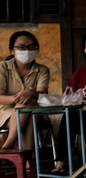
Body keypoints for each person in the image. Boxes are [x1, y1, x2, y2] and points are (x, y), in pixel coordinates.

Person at [0, 32, 52, 161]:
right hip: (4, 113)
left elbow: (42, 93)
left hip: (36, 113)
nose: (27, 51)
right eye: (21, 47)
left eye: (31, 47)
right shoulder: (3, 67)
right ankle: (28, 164)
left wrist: (30, 92)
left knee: (29, 108)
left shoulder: (42, 70)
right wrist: (19, 98)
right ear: (12, 50)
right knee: (28, 108)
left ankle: (7, 147)